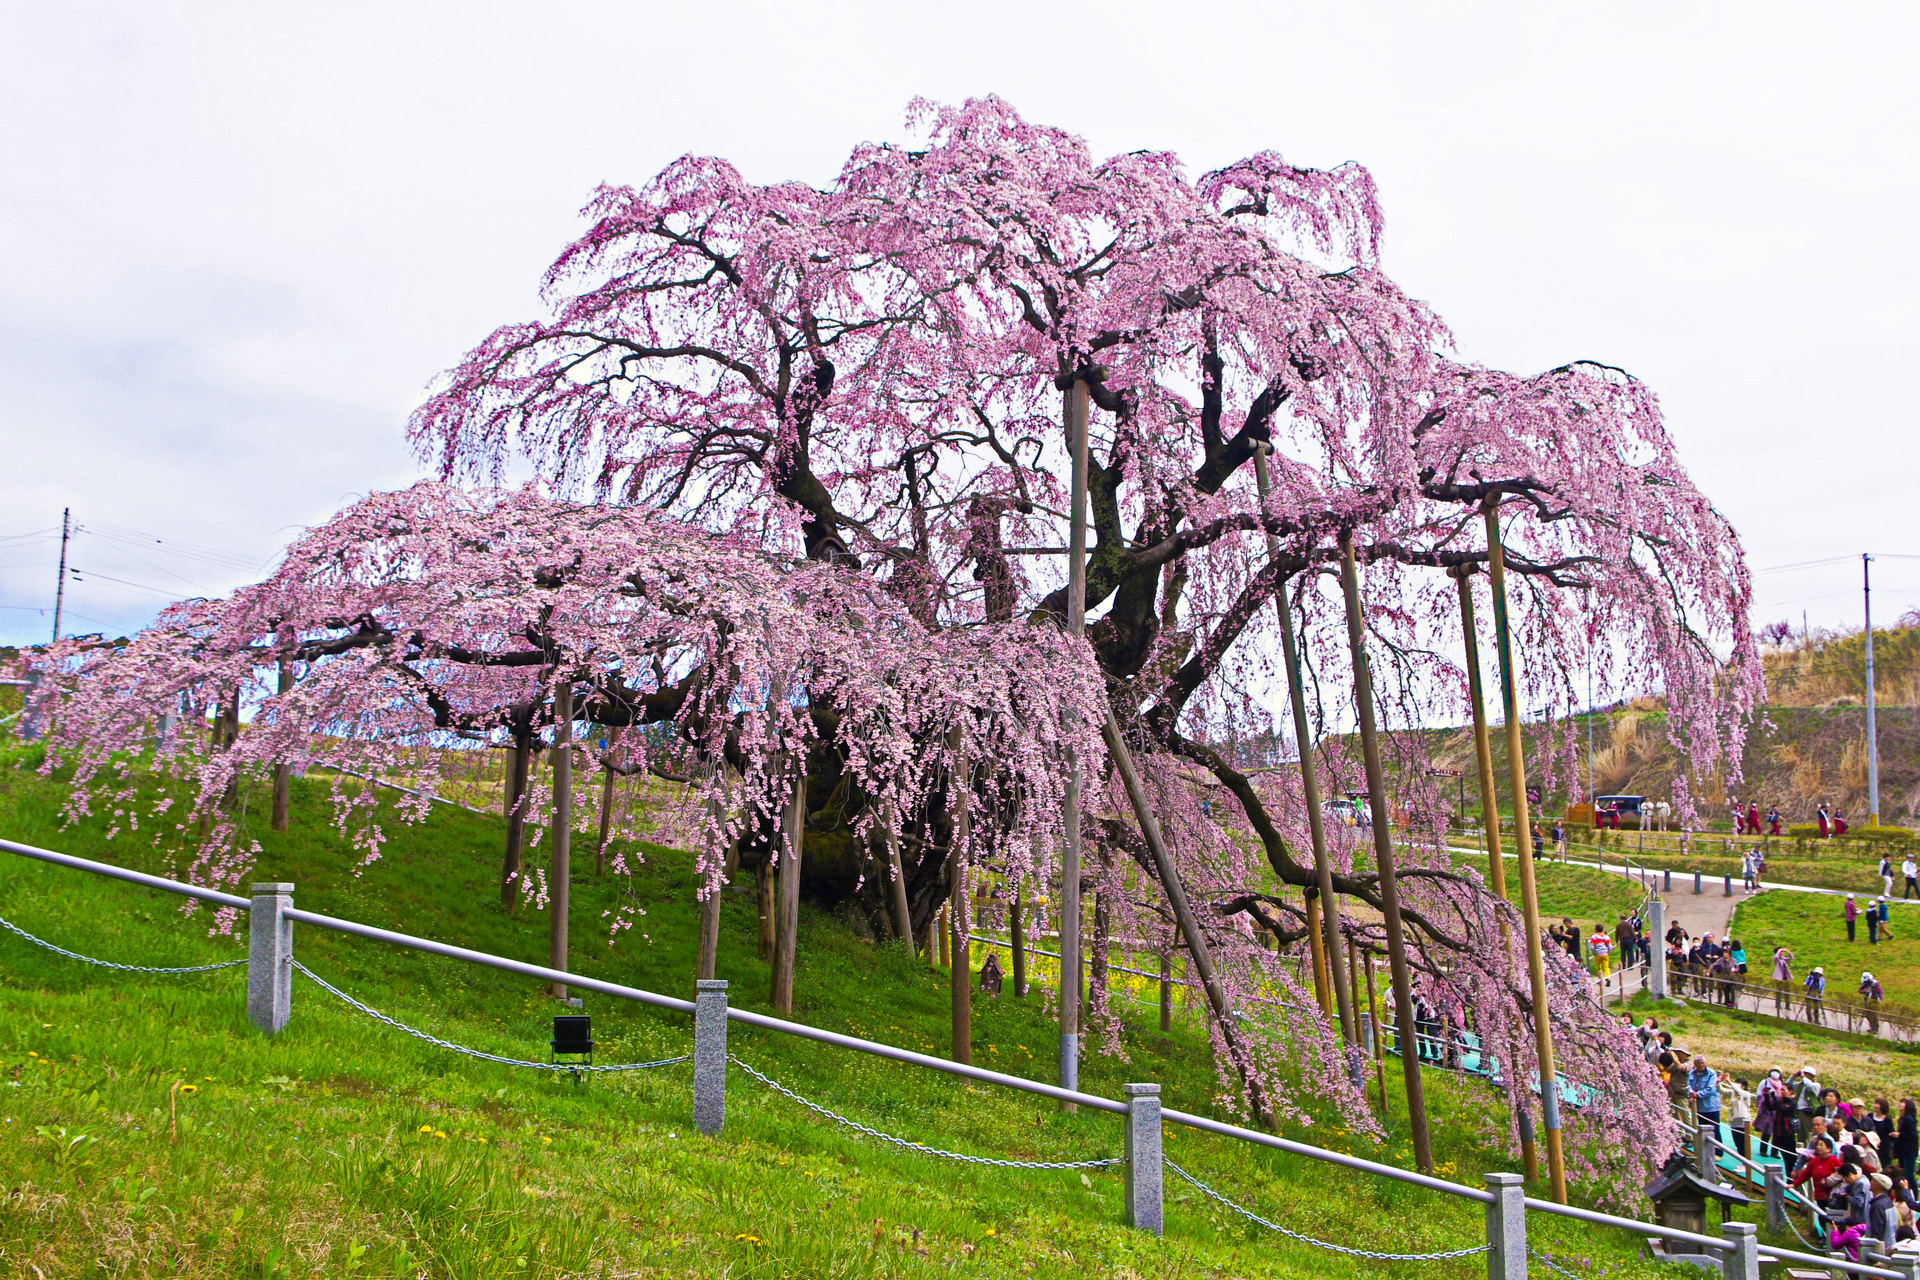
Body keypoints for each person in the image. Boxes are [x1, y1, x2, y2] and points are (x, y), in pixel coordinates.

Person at [1726, 1074, 1755, 1159]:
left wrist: (1729, 1081)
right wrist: (1719, 1082)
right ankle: (1743, 1161)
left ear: (1744, 1086)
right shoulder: (1734, 1093)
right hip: (1734, 1120)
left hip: (1742, 1122)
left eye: (1739, 1085)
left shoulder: (1745, 1094)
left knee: (1743, 1143)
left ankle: (1746, 1163)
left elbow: (1738, 1091)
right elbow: (1722, 1090)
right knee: (1737, 1143)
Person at [1897, 1100, 1919, 1180]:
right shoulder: (1902, 1119)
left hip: (1909, 1151)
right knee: (1903, 1173)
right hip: (1903, 1150)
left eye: (1903, 1103)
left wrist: (1899, 1135)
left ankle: (1914, 1191)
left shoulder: (1909, 1119)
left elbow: (1913, 1135)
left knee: (1908, 1174)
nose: (1900, 1104)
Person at [1773, 947, 1795, 1015]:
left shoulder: (1783, 959)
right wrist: (1780, 950)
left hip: (1786, 977)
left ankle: (1787, 1005)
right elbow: (1776, 956)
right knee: (1779, 991)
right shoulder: (1776, 959)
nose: (1782, 953)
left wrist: (1788, 952)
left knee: (1787, 991)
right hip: (1779, 978)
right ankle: (1778, 1004)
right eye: (1781, 952)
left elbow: (1791, 958)